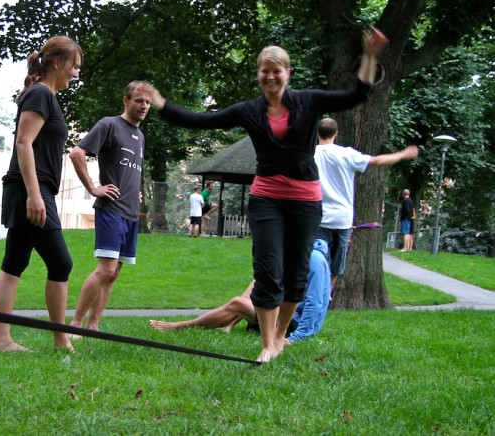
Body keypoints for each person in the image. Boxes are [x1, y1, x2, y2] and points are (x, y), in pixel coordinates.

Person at [146, 27, 388, 362]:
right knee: (267, 269)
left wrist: (371, 55)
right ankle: (266, 345)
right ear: (259, 74)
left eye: (277, 70)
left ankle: (276, 338)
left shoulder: (308, 101)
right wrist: (160, 103)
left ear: (288, 73)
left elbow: (355, 95)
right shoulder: (249, 110)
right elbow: (202, 120)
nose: (270, 76)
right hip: (267, 199)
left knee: (296, 273)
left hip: (305, 200)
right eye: (265, 70)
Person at [0, 35, 83, 353]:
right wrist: (35, 194)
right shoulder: (41, 94)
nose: (76, 72)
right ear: (57, 63)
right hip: (30, 189)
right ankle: (60, 339)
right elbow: (23, 143)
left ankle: (2, 341)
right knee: (61, 263)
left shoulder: (44, 95)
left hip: (30, 188)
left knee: (14, 262)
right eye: (74, 66)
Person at [68, 81, 150, 335]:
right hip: (111, 209)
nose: (144, 106)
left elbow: (131, 169)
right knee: (106, 269)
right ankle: (74, 325)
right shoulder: (109, 125)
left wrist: (135, 189)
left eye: (147, 102)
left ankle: (94, 325)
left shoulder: (141, 136)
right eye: (139, 100)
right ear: (126, 101)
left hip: (131, 212)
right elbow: (76, 153)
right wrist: (93, 187)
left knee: (114, 274)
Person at [149, 239, 332, 346]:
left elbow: (315, 303)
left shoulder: (314, 260)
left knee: (237, 303)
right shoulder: (298, 254)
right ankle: (227, 325)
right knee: (258, 281)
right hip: (280, 312)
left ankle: (180, 326)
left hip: (291, 322)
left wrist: (295, 338)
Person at [315, 117, 418, 287]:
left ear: (317, 133)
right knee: (337, 263)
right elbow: (376, 161)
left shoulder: (310, 156)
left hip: (318, 218)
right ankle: (327, 293)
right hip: (342, 219)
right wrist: (403, 154)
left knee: (316, 259)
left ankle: (316, 292)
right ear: (336, 133)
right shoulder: (346, 154)